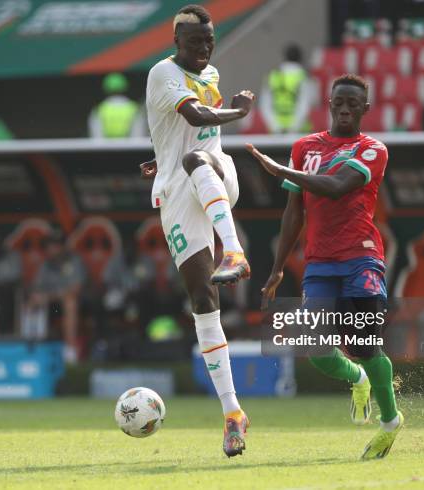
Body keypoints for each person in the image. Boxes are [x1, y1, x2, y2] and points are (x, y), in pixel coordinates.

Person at [246, 74, 403, 460]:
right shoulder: (304, 147)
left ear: (365, 109)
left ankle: (390, 421)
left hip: (361, 258)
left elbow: (335, 186)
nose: (345, 108)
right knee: (316, 349)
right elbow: (293, 211)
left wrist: (280, 171)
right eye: (339, 102)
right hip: (319, 263)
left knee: (365, 345)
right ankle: (358, 379)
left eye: (353, 103)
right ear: (329, 105)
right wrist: (279, 267)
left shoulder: (372, 150)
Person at [141, 4, 254, 457]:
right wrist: (238, 112)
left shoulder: (211, 72)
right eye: (195, 42)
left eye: (209, 40)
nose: (205, 49)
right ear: (176, 44)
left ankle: (235, 251)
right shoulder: (160, 74)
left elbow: (200, 137)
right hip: (176, 192)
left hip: (215, 174)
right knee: (203, 300)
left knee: (197, 159)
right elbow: (194, 119)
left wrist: (181, 150)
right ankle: (233, 414)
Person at [25, 229, 86, 363]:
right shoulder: (46, 265)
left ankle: (70, 351)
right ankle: (30, 349)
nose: (52, 249)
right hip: (53, 303)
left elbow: (75, 290)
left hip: (78, 304)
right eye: (50, 246)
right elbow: (36, 287)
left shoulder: (74, 260)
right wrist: (37, 296)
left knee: (70, 302)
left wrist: (48, 297)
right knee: (31, 302)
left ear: (63, 247)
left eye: (56, 245)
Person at [259, 44, 313, 134]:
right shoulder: (303, 77)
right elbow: (305, 105)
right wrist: (294, 127)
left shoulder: (272, 76)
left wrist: (274, 126)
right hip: (299, 132)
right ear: (301, 58)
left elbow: (265, 105)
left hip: (275, 132)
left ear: (284, 57)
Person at [88, 72, 145, 138]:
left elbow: (96, 137)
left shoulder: (99, 110)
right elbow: (138, 136)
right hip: (129, 147)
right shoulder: (134, 109)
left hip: (105, 148)